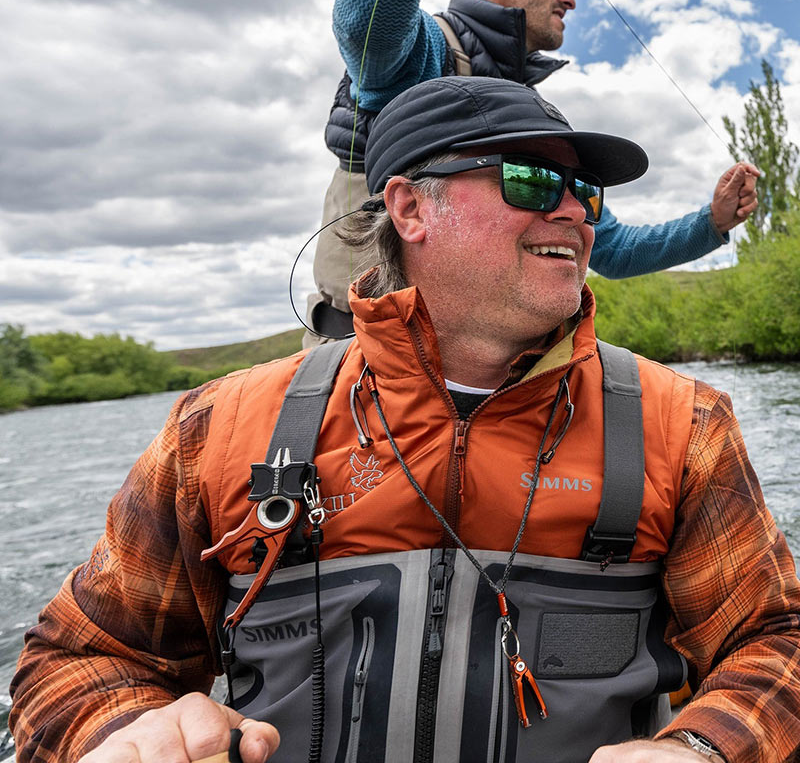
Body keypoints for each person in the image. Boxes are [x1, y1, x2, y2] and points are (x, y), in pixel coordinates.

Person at [10, 77, 799, 763]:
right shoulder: (215, 428)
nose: (574, 211)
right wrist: (127, 730)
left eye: (584, 192)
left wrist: (703, 747)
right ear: (411, 208)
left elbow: (775, 642)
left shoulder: (684, 425)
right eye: (531, 181)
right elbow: (81, 658)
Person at [306, 0, 759, 345]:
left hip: (496, 372)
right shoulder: (422, 53)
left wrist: (712, 222)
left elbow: (614, 250)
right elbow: (368, 26)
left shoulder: (530, 116)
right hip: (368, 362)